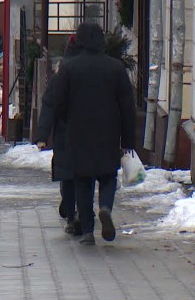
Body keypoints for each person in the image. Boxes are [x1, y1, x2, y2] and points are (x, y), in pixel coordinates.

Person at [54, 22, 136, 246]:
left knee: (82, 180)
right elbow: (127, 105)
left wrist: (67, 121)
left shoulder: (70, 68)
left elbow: (58, 101)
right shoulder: (115, 67)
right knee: (108, 175)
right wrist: (128, 139)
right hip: (109, 130)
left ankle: (88, 232)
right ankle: (106, 208)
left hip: (78, 131)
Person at [34, 34, 86, 236]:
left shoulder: (60, 76)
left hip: (64, 134)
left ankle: (71, 215)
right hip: (89, 133)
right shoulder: (93, 74)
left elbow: (48, 106)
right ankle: (83, 212)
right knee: (85, 175)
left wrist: (42, 134)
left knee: (68, 176)